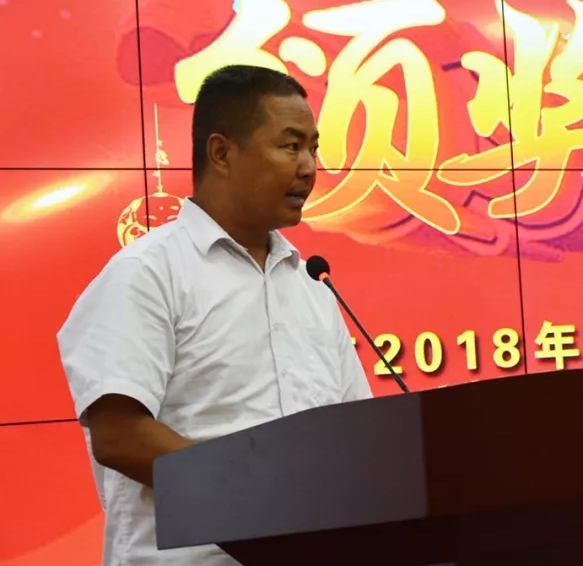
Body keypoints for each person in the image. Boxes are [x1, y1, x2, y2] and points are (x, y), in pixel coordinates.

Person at [57, 64, 372, 565]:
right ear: (222, 153)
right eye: (291, 146)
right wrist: (263, 496)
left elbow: (354, 432)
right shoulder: (147, 273)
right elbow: (118, 434)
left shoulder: (310, 285)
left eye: (314, 149)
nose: (309, 168)